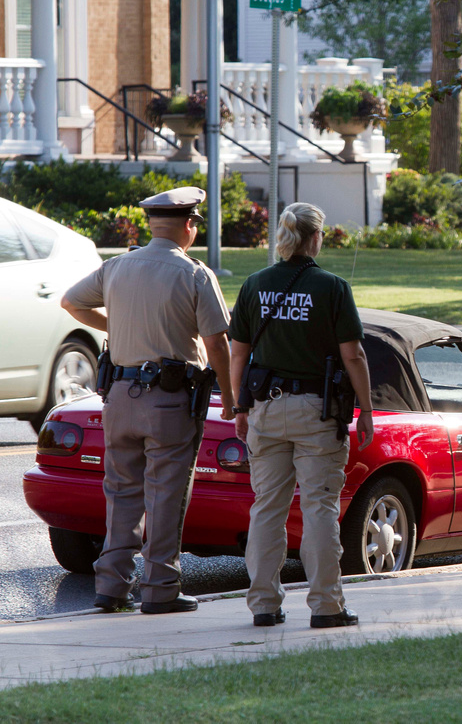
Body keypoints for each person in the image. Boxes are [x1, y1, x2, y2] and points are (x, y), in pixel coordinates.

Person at [61, 186, 235, 614]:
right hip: (170, 403)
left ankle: (112, 586)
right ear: (189, 226)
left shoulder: (117, 266)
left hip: (118, 398)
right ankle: (160, 589)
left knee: (121, 492)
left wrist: (113, 324)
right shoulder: (195, 274)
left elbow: (70, 302)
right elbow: (217, 343)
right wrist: (230, 397)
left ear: (152, 225)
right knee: (165, 494)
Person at [228, 202, 374, 629]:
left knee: (267, 508)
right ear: (315, 238)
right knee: (319, 508)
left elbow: (239, 352)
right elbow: (354, 354)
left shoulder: (255, 284)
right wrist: (365, 408)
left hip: (265, 408)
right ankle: (327, 606)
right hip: (317, 411)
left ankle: (263, 605)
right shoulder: (332, 287)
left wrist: (239, 406)